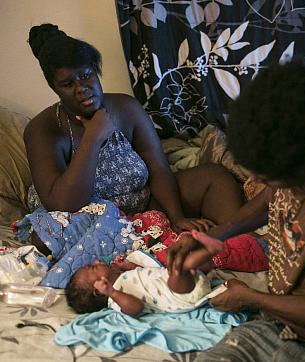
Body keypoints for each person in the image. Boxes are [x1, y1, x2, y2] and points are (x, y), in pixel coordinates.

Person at [167, 61, 305, 361]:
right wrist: (212, 236)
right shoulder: (293, 166)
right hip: (284, 322)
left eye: (265, 177)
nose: (254, 182)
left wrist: (249, 297)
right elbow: (268, 200)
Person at [25, 23, 243, 247]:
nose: (81, 88)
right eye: (68, 84)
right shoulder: (43, 129)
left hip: (144, 207)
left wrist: (177, 218)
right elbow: (62, 204)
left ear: (96, 70)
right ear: (55, 88)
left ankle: (236, 247)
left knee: (215, 177)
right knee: (44, 238)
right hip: (85, 222)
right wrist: (93, 137)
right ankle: (137, 245)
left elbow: (158, 168)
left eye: (86, 75)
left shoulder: (125, 107)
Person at [65, 251, 211, 315]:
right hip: (179, 295)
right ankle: (211, 248)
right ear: (99, 290)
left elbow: (148, 273)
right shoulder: (116, 301)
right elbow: (137, 307)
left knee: (198, 266)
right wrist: (113, 293)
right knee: (181, 263)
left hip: (183, 281)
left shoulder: (124, 276)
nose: (97, 261)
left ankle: (207, 260)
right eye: (93, 267)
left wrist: (128, 266)